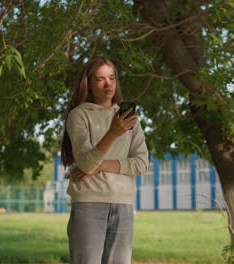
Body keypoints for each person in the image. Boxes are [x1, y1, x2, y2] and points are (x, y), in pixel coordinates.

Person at [60, 56, 149, 264]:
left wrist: (100, 166)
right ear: (88, 83)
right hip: (89, 205)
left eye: (111, 78)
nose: (108, 84)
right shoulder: (79, 115)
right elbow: (84, 163)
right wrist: (113, 132)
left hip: (123, 204)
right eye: (100, 79)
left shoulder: (130, 120)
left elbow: (142, 164)